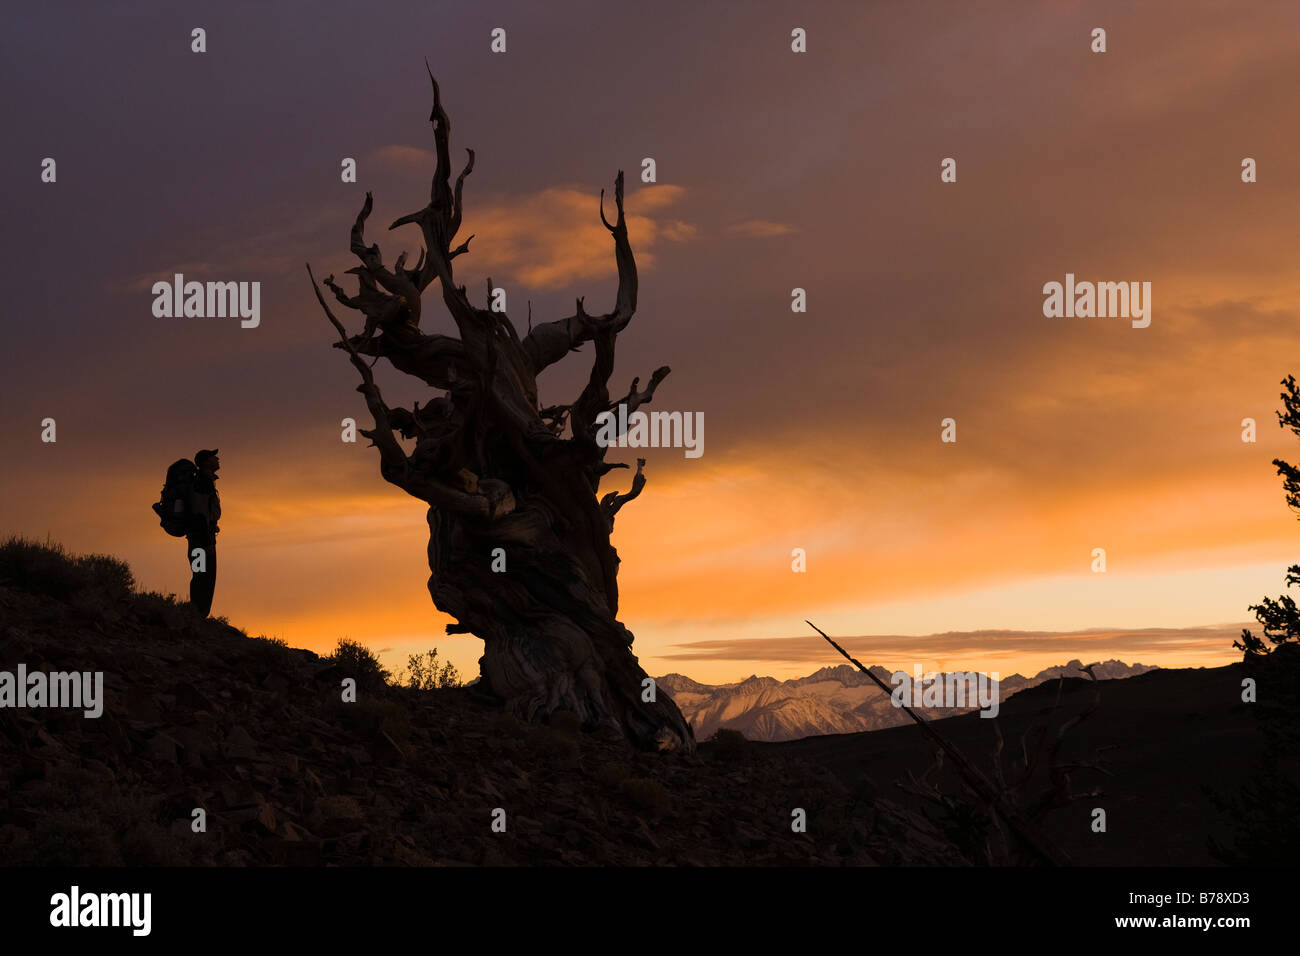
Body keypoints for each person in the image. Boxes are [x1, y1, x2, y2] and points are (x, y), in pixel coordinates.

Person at [186, 449, 221, 617]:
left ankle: (198, 614)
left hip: (200, 540)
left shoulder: (204, 481)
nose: (217, 458)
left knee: (202, 576)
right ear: (206, 462)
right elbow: (200, 515)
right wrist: (207, 542)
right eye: (213, 456)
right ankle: (197, 614)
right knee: (202, 577)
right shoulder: (202, 483)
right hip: (200, 542)